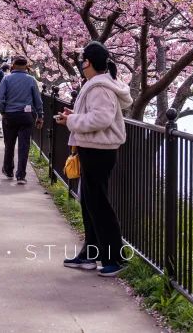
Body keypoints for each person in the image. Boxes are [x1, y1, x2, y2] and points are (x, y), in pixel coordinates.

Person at [56, 41, 133, 277]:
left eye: (83, 61)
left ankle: (115, 257)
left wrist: (71, 121)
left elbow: (101, 119)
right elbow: (97, 116)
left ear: (88, 62)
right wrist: (75, 116)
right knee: (89, 202)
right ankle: (90, 253)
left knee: (98, 204)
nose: (80, 65)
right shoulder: (98, 84)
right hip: (95, 148)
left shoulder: (99, 87)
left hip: (99, 150)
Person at [0, 56, 43, 184]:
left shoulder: (7, 79)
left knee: (9, 145)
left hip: (10, 115)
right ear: (26, 67)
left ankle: (8, 170)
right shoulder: (31, 80)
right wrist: (40, 116)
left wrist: (3, 111)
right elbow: (38, 100)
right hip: (26, 116)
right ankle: (21, 175)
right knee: (24, 146)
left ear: (13, 66)